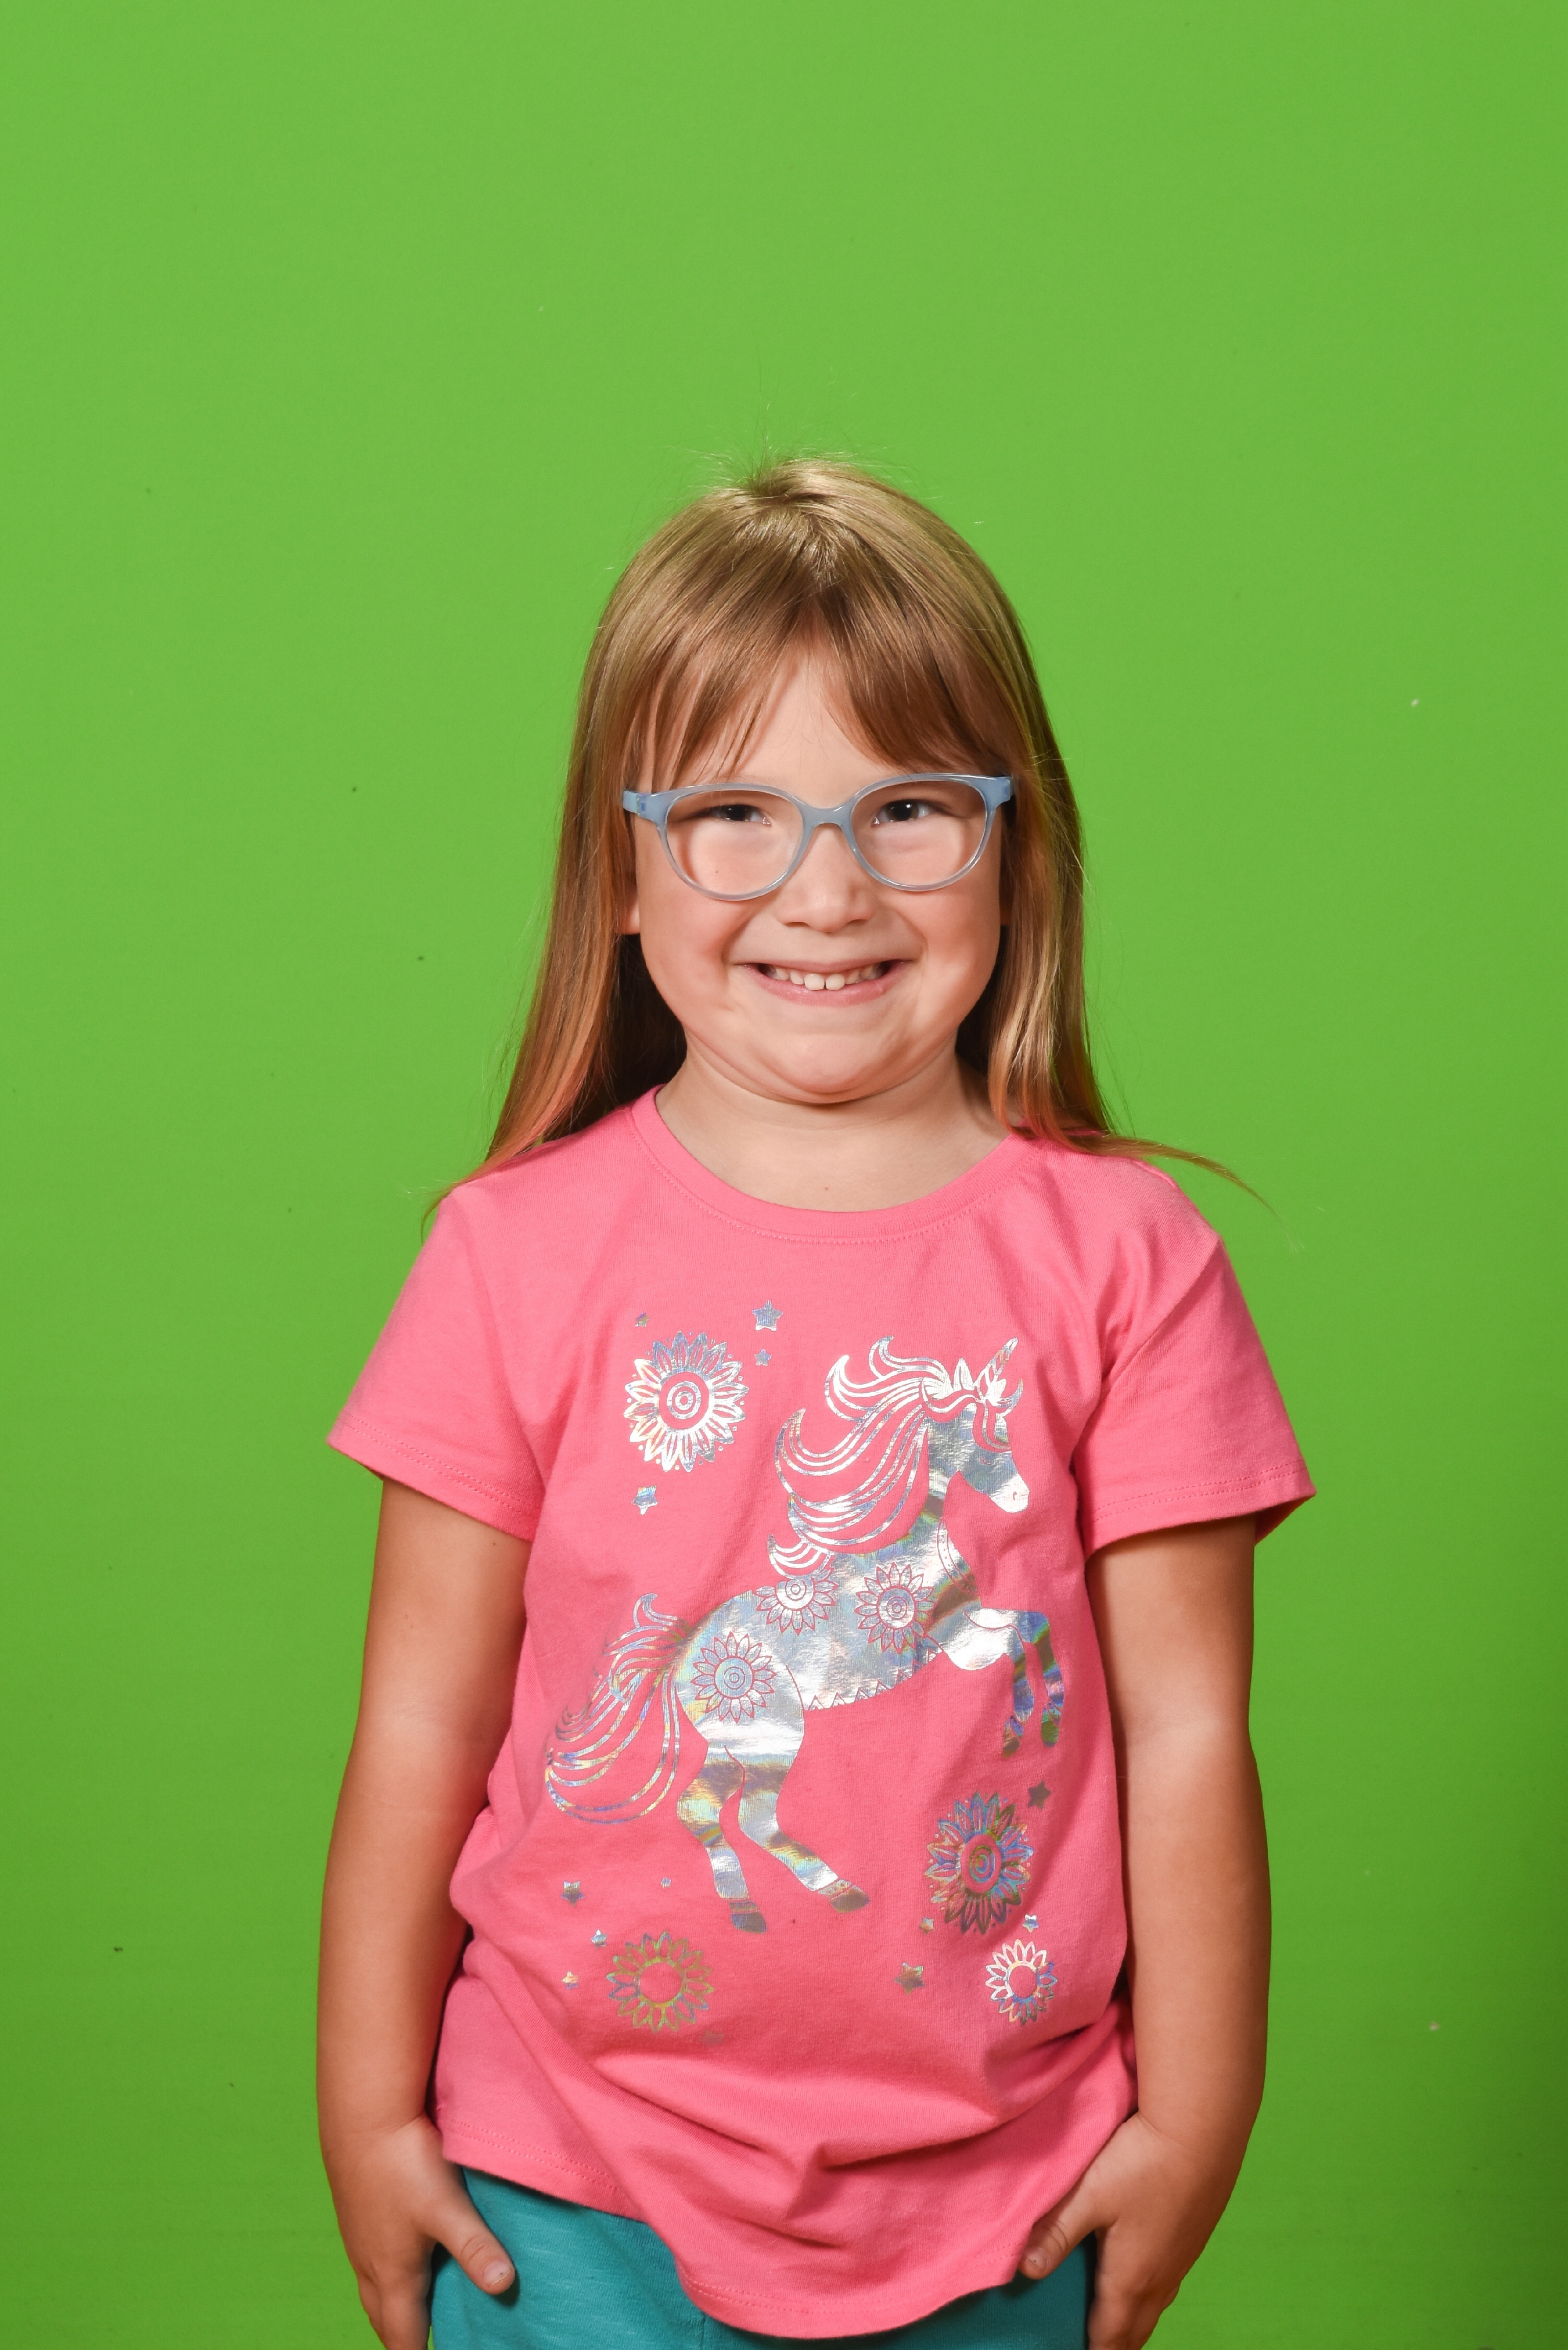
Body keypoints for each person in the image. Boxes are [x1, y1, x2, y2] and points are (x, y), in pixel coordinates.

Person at [317, 459, 1314, 2350]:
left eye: (909, 810)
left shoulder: (1130, 1260)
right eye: (734, 816)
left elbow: (1186, 1733)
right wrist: (371, 2114)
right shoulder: (508, 1253)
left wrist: (1192, 2121)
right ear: (623, 871)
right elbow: (420, 1721)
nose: (827, 889)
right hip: (567, 2174)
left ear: (1014, 848)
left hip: (1012, 2189)